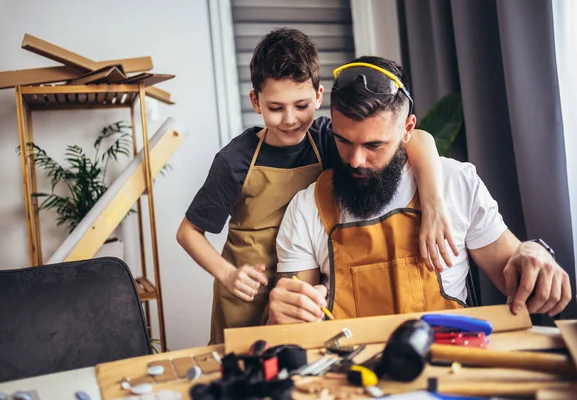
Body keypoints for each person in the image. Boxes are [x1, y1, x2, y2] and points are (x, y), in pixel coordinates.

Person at [177, 30, 456, 344]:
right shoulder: (235, 160)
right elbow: (188, 232)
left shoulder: (328, 137)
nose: (290, 119)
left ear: (319, 96)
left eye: (301, 105)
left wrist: (433, 203)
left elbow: (418, 138)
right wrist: (228, 275)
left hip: (303, 289)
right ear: (256, 101)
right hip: (246, 293)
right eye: (275, 107)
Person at [268, 55, 572, 324]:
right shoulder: (307, 207)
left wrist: (534, 252)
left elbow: (514, 273)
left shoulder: (456, 183)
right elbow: (294, 328)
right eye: (343, 141)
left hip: (451, 364)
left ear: (408, 129)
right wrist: (280, 316)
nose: (356, 160)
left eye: (375, 145)